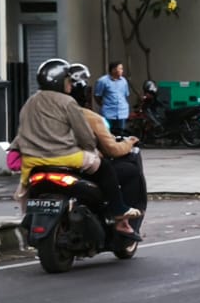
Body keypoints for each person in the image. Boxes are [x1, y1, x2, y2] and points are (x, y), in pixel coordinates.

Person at [15, 58, 138, 234]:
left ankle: (28, 217)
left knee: (25, 188)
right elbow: (84, 135)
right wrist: (91, 148)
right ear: (59, 81)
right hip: (65, 157)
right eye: (68, 80)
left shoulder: (30, 102)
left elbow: (22, 131)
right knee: (105, 168)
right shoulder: (67, 102)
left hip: (32, 161)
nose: (70, 85)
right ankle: (118, 209)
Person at [68, 63, 147, 222]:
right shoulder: (87, 117)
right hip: (77, 163)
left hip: (40, 162)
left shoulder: (35, 111)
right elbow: (111, 149)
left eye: (122, 69)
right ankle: (120, 215)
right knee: (121, 170)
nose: (120, 71)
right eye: (118, 68)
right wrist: (130, 142)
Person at [93, 62, 131, 137]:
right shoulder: (102, 81)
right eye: (120, 68)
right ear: (113, 70)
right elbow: (97, 95)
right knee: (108, 133)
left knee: (120, 134)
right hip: (108, 112)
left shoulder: (124, 81)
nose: (122, 70)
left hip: (122, 111)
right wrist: (103, 105)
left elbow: (126, 94)